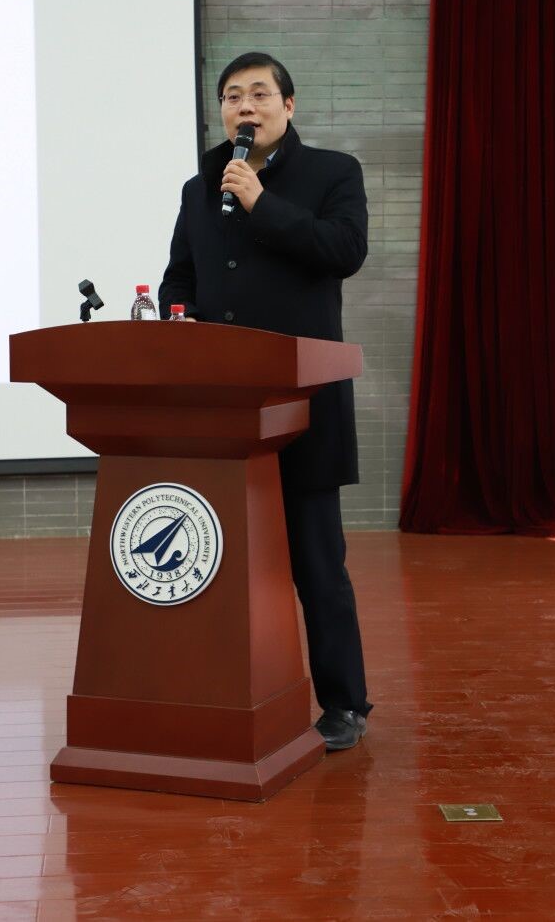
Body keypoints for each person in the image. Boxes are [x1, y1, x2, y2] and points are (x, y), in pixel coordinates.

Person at [159, 52, 371, 749]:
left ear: (288, 104)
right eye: (231, 96)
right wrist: (179, 315)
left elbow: (343, 250)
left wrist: (260, 202)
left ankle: (344, 704)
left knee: (317, 563)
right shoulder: (201, 187)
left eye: (257, 94)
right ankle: (224, 695)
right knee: (219, 562)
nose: (243, 107)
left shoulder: (332, 173)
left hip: (303, 399)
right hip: (223, 405)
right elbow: (180, 276)